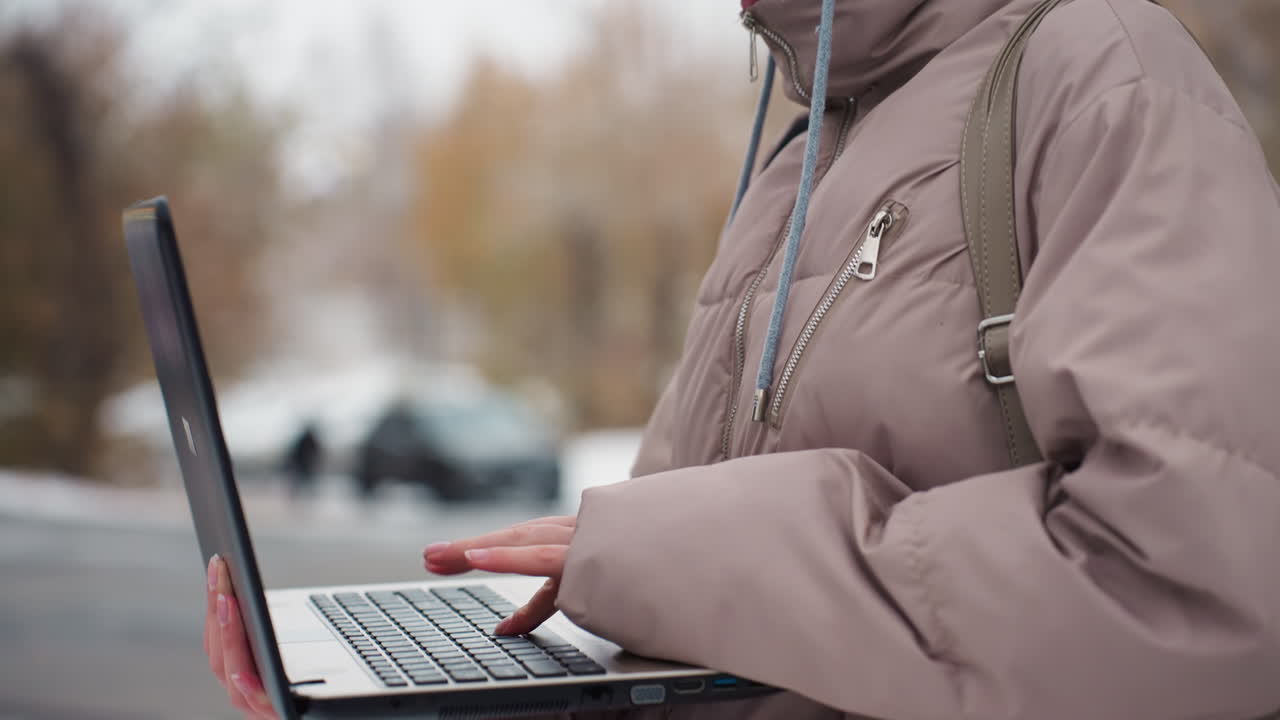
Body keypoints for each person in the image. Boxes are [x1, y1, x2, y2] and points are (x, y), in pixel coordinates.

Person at [203, 0, 1280, 718]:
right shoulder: (794, 164)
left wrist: (661, 557)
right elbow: (675, 654)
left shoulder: (1102, 67)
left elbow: (1193, 596)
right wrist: (412, 694)